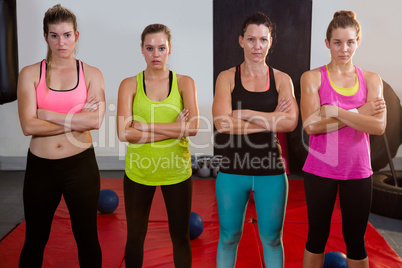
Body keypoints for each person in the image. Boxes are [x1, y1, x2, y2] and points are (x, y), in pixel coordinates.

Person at [17, 4, 105, 268]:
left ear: (76, 36)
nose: (61, 41)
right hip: (40, 168)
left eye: (66, 35)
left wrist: (49, 114)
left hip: (80, 166)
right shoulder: (30, 74)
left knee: (87, 238)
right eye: (54, 35)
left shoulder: (91, 73)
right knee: (35, 238)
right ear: (45, 37)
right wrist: (76, 120)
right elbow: (28, 126)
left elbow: (96, 121)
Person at [301, 10, 387, 268]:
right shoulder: (313, 77)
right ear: (327, 43)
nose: (344, 49)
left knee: (356, 240)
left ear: (357, 42)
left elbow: (379, 126)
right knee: (316, 237)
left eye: (350, 42)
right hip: (320, 169)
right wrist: (359, 113)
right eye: (337, 42)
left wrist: (336, 111)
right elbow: (311, 126)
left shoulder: (372, 79)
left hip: (358, 171)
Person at [212, 12, 298, 268]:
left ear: (270, 41)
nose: (257, 46)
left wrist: (248, 114)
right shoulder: (227, 77)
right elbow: (222, 123)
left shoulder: (282, 79)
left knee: (272, 239)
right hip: (232, 168)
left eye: (262, 40)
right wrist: (272, 118)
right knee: (229, 237)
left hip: (270, 169)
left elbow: (291, 122)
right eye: (251, 39)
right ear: (241, 41)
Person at [116, 23, 199, 267]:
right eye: (150, 48)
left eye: (161, 48)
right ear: (141, 49)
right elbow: (123, 133)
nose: (156, 54)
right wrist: (174, 129)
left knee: (181, 238)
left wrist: (145, 126)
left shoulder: (185, 82)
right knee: (134, 238)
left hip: (177, 171)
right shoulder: (129, 84)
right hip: (139, 172)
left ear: (169, 49)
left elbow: (192, 128)